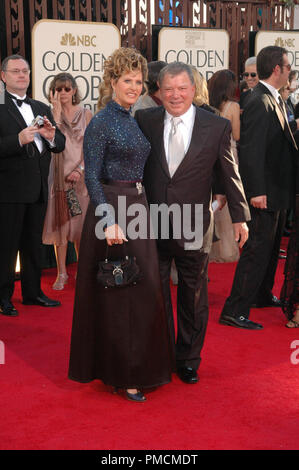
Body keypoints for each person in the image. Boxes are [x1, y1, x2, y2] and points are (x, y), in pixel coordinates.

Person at [68, 47, 173, 403]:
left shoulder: (135, 117)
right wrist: (109, 220)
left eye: (139, 81)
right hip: (112, 210)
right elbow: (93, 178)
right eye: (127, 80)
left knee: (142, 289)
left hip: (138, 207)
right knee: (122, 293)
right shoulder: (101, 121)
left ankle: (136, 366)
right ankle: (124, 374)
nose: (134, 86)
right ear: (113, 82)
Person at [135, 62, 250, 385]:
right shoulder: (145, 119)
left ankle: (188, 358)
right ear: (159, 90)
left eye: (182, 88)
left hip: (195, 224)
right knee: (153, 294)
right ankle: (160, 353)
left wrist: (240, 218)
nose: (175, 95)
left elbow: (230, 173)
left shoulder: (215, 126)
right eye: (168, 88)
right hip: (152, 222)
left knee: (193, 296)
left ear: (193, 89)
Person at [219, 46, 298, 330]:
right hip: (264, 192)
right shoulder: (257, 101)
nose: (290, 72)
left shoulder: (275, 99)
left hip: (279, 189)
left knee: (271, 247)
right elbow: (251, 151)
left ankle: (261, 295)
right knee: (256, 249)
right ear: (277, 69)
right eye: (288, 67)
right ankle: (234, 308)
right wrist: (256, 192)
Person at [0, 54, 65, 317]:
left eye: (25, 71)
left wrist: (51, 137)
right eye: (15, 71)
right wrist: (17, 140)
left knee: (33, 245)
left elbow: (59, 144)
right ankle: (4, 298)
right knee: (6, 247)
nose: (22, 75)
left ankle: (32, 293)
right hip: (8, 190)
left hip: (38, 188)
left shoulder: (40, 107)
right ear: (3, 76)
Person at [42, 73, 92, 290]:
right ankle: (61, 273)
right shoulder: (50, 115)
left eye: (66, 89)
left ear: (74, 91)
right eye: (58, 89)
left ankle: (82, 271)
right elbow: (49, 143)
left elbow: (92, 149)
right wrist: (56, 113)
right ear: (53, 92)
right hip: (59, 179)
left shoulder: (87, 114)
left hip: (81, 179)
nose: (63, 93)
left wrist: (80, 170)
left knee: (81, 228)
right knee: (61, 226)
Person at [208, 69, 241, 263]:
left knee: (214, 195)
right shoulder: (233, 106)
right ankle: (226, 248)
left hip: (212, 154)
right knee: (228, 196)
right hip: (229, 153)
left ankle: (212, 247)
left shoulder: (209, 105)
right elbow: (236, 135)